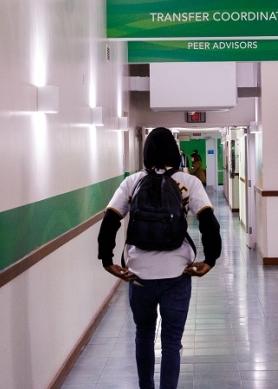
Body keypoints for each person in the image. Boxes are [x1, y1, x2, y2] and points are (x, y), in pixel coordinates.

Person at [98, 127, 222, 389]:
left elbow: (110, 221)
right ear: (175, 154)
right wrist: (210, 259)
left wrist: (107, 260)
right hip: (177, 275)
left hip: (138, 275)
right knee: (172, 341)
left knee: (143, 336)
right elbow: (208, 223)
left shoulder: (132, 183)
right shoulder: (189, 183)